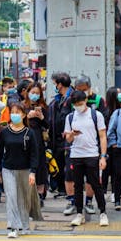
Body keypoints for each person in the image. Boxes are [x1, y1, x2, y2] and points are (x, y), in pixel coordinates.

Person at [63, 90, 109, 227]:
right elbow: (68, 139)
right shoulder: (70, 117)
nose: (79, 106)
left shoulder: (96, 115)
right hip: (76, 155)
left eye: (81, 103)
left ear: (86, 101)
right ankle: (79, 213)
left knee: (96, 184)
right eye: (76, 104)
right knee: (77, 186)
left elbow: (102, 136)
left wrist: (103, 156)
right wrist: (71, 134)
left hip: (92, 155)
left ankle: (103, 212)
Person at [0, 103, 39, 238]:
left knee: (24, 199)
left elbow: (34, 154)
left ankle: (24, 225)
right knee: (11, 197)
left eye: (18, 112)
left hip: (25, 170)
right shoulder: (4, 132)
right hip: (8, 169)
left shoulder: (29, 133)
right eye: (12, 112)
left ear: (24, 115)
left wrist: (33, 172)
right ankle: (13, 227)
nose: (15, 115)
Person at [47, 72, 73, 201]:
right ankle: (61, 189)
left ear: (60, 84)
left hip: (68, 138)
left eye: (55, 84)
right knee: (58, 163)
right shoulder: (57, 99)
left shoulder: (72, 99)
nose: (55, 86)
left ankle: (69, 193)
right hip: (56, 138)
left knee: (68, 166)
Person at [24, 83, 48, 206]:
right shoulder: (23, 106)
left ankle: (40, 194)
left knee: (40, 166)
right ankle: (28, 193)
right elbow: (15, 123)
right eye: (32, 92)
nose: (35, 95)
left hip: (38, 139)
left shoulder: (43, 107)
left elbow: (48, 125)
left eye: (37, 93)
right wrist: (27, 116)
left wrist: (42, 117)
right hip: (25, 139)